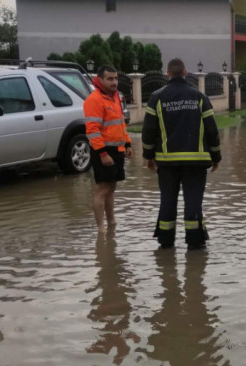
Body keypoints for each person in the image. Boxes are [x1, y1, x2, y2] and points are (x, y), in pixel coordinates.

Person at [141, 58, 221, 249]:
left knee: (167, 201)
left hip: (167, 163)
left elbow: (148, 131)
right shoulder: (200, 97)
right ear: (185, 73)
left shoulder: (156, 98)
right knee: (193, 202)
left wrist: (148, 156)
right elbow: (212, 130)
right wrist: (216, 157)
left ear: (167, 74)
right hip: (196, 162)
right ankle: (195, 243)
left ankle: (166, 242)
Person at [84, 65, 133, 234]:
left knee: (112, 188)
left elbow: (120, 123)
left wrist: (127, 144)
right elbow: (92, 130)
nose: (114, 82)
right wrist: (102, 154)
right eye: (110, 79)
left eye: (115, 78)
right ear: (100, 79)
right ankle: (100, 228)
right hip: (103, 151)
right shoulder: (94, 99)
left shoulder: (116, 97)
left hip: (117, 149)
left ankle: (111, 222)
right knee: (102, 189)